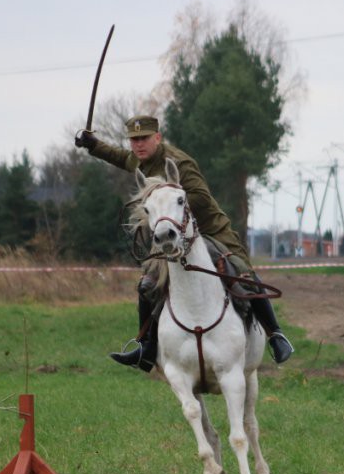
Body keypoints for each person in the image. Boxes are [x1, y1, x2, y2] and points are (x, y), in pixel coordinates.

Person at [74, 114, 294, 371]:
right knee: (148, 283)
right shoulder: (138, 158)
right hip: (172, 234)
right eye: (134, 140)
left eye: (144, 138)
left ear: (158, 137)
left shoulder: (179, 162)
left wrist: (169, 205)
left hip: (210, 229)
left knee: (241, 270)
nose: (138, 144)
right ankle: (145, 346)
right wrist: (93, 145)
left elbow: (201, 197)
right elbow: (121, 157)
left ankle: (276, 336)